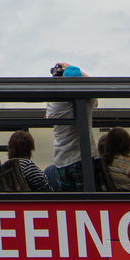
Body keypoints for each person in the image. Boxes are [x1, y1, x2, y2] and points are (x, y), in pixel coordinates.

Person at [46, 63, 97, 191]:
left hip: (61, 160)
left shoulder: (53, 104)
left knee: (71, 204)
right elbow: (94, 84)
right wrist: (69, 66)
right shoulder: (87, 101)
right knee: (91, 200)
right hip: (82, 158)